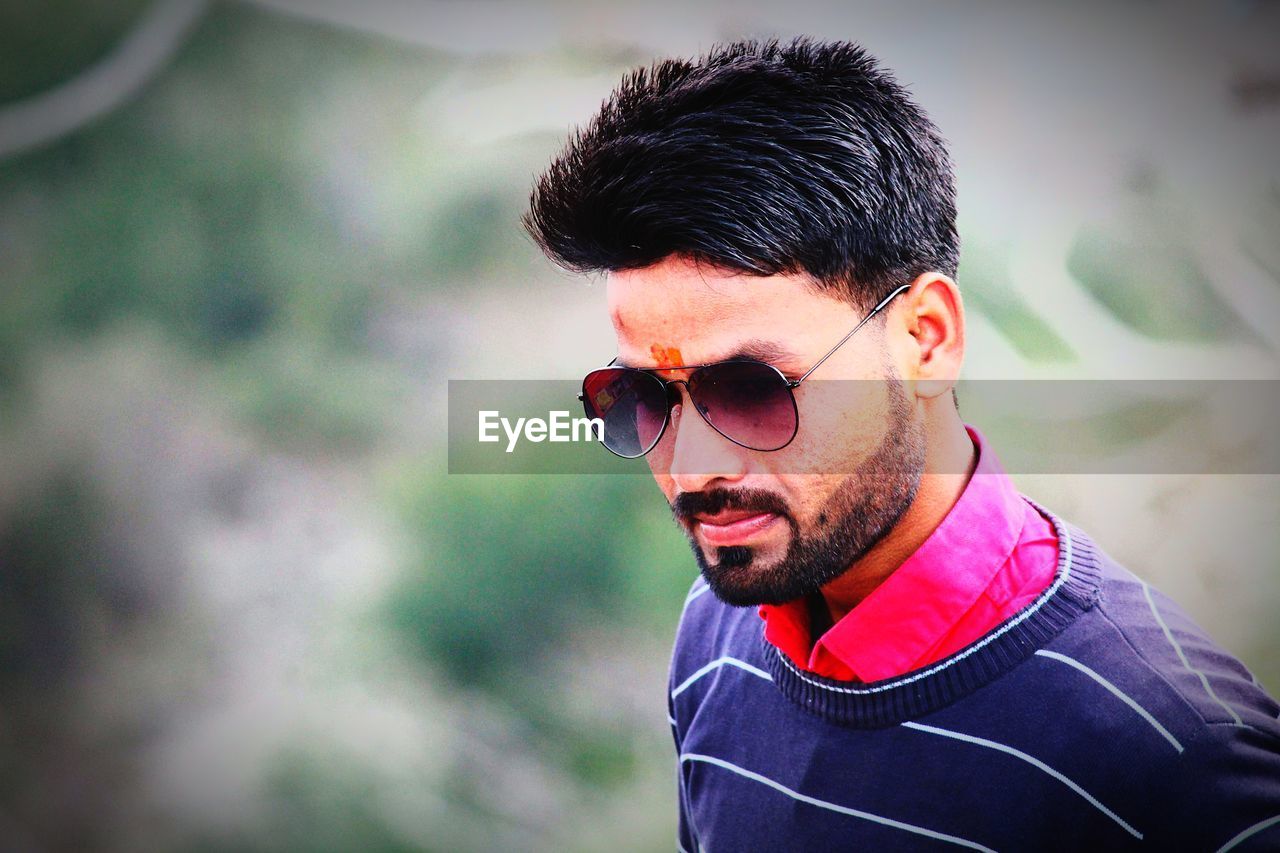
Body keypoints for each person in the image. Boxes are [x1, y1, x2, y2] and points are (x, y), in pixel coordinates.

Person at [523, 37, 1280, 851]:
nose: (693, 466)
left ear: (926, 337)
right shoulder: (717, 634)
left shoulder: (1173, 751)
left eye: (749, 388)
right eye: (641, 397)